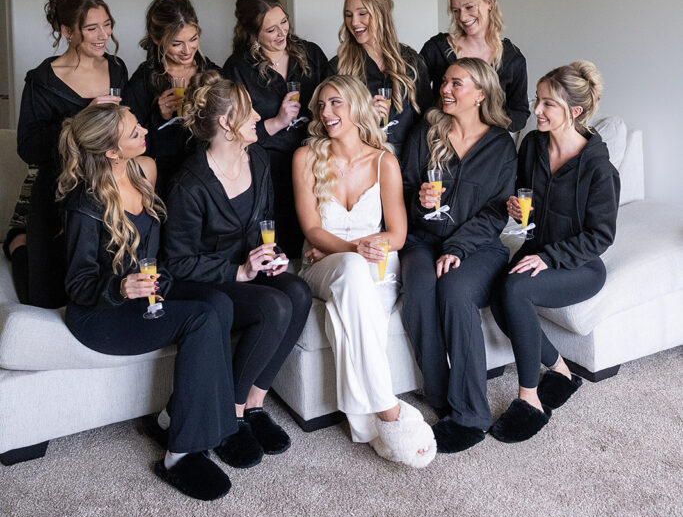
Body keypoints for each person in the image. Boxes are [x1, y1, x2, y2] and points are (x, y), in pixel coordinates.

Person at [58, 103, 236, 501]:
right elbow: (78, 283)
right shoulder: (85, 204)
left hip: (143, 299)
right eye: (133, 130)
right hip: (101, 317)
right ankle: (179, 454)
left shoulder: (142, 176)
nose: (144, 130)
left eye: (139, 124)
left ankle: (185, 419)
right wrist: (121, 288)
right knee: (202, 319)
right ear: (112, 152)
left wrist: (157, 283)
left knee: (220, 305)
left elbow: (154, 261)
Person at [163, 72, 312, 466]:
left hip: (248, 270)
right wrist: (240, 272)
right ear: (227, 123)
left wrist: (272, 254)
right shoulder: (190, 184)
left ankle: (254, 405)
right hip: (206, 282)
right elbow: (176, 262)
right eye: (249, 112)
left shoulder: (258, 159)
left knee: (297, 292)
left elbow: (265, 224)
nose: (258, 117)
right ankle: (230, 416)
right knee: (274, 306)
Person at [292, 74, 436, 467]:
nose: (326, 112)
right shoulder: (305, 158)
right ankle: (389, 408)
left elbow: (399, 234)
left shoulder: (384, 162)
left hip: (374, 267)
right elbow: (312, 230)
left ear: (356, 106)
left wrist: (364, 248)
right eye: (321, 105)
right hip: (321, 263)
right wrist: (354, 248)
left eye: (335, 102)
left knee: (347, 314)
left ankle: (369, 427)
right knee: (353, 270)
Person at [489, 61, 619, 443]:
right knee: (500, 292)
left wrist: (548, 258)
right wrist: (512, 206)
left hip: (579, 266)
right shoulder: (531, 145)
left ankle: (529, 399)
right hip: (534, 250)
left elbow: (601, 236)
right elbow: (517, 192)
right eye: (537, 100)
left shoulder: (598, 168)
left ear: (574, 112)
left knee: (514, 289)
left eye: (548, 104)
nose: (536, 110)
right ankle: (560, 370)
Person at [400, 59, 517, 453]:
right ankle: (440, 398)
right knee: (418, 292)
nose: (445, 90)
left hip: (479, 247)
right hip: (421, 240)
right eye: (445, 82)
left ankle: (471, 415)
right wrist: (419, 201)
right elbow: (401, 192)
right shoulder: (426, 133)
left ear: (481, 93)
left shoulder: (501, 144)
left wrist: (456, 248)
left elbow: (498, 210)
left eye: (456, 83)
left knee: (454, 292)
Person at [17, 0, 126, 307]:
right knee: (47, 297)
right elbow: (28, 147)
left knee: (101, 289)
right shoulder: (42, 80)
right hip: (57, 195)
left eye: (107, 25)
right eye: (91, 28)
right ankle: (18, 245)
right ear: (66, 30)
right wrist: (82, 119)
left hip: (106, 192)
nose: (102, 35)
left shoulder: (117, 69)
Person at [223, 0, 330, 258]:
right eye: (271, 29)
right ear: (252, 34)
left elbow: (336, 95)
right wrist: (276, 122)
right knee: (279, 240)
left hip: (314, 159)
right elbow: (230, 130)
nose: (282, 33)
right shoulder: (238, 68)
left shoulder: (311, 53)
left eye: (284, 22)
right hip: (267, 165)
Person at [123, 0, 220, 198]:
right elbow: (127, 145)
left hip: (208, 182)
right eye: (176, 43)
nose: (187, 50)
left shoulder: (213, 74)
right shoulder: (143, 80)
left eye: (193, 39)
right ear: (157, 39)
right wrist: (159, 117)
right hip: (161, 182)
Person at [330, 0, 431, 159]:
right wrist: (363, 116)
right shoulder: (338, 67)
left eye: (362, 13)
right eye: (348, 15)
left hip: (408, 167)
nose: (354, 22)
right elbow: (326, 123)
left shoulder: (412, 62)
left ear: (381, 13)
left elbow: (427, 119)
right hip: (360, 166)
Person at [420, 0, 529, 132]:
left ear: (489, 2)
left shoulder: (513, 59)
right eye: (456, 11)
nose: (463, 17)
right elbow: (413, 96)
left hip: (489, 145)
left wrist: (485, 127)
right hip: (440, 139)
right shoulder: (436, 49)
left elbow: (520, 113)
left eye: (469, 7)